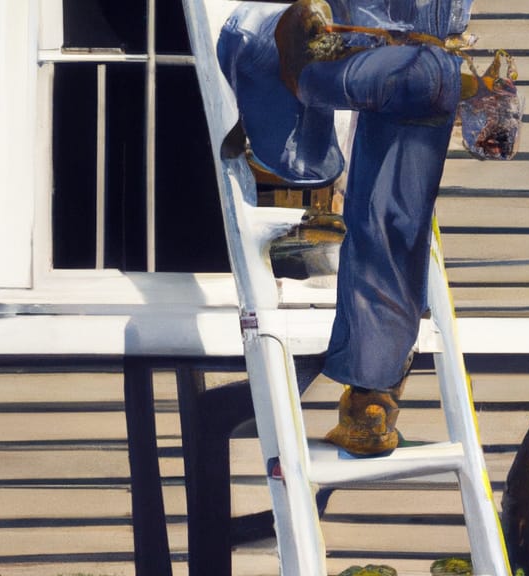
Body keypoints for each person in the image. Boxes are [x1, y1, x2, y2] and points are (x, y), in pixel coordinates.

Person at [217, 0, 476, 457]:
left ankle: (371, 396)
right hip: (430, 69)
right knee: (392, 221)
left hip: (391, 64)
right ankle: (371, 400)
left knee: (267, 49)